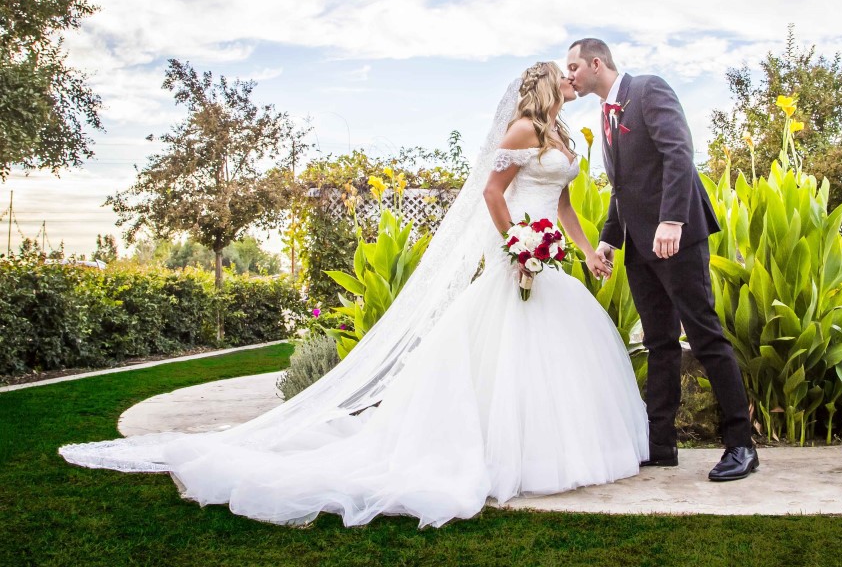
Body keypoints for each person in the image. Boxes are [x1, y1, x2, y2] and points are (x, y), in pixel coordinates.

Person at [59, 62, 649, 528]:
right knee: (504, 350)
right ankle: (500, 456)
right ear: (547, 85)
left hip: (547, 251)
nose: (573, 80)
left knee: (556, 352)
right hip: (517, 250)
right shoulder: (522, 128)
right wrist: (516, 243)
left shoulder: (565, 136)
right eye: (564, 74)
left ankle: (553, 451)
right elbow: (495, 194)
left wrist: (581, 247)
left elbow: (565, 203)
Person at [565, 38, 758, 481]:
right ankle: (662, 444)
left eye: (574, 66)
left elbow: (678, 152)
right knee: (660, 342)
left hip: (677, 237)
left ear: (597, 63)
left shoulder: (648, 89)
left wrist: (672, 220)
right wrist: (610, 241)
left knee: (705, 334)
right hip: (639, 246)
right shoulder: (607, 114)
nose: (570, 74)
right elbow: (624, 188)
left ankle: (742, 445)